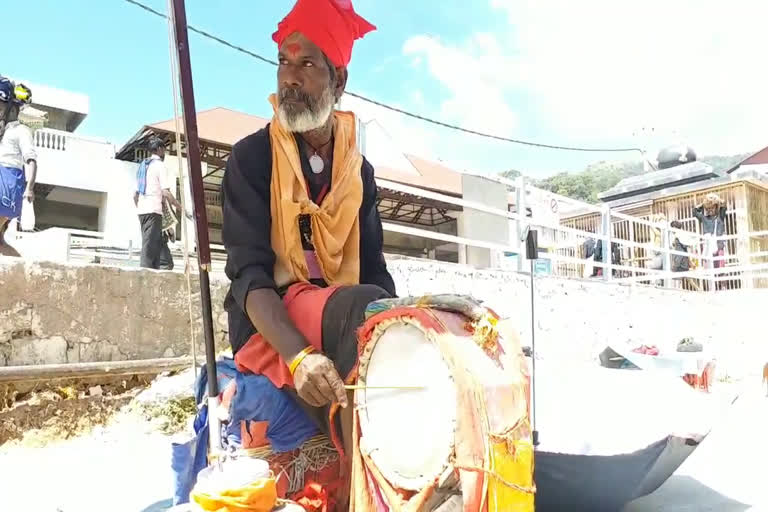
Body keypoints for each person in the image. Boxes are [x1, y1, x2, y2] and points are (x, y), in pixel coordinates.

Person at [220, 0, 394, 487]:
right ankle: (362, 488)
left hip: (342, 312)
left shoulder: (358, 172)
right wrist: (299, 356)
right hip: (271, 322)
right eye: (283, 63)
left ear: (338, 82)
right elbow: (249, 275)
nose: (289, 78)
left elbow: (376, 274)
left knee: (383, 314)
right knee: (360, 308)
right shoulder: (252, 156)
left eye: (306, 64)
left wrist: (399, 320)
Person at [0, 78, 36, 257]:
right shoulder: (4, 131)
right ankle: (25, 274)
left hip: (7, 185)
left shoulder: (21, 131)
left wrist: (29, 188)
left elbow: (31, 160)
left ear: (12, 108)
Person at [134, 136, 182, 269]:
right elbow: (165, 192)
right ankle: (144, 276)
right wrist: (180, 207)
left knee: (154, 247)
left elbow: (135, 194)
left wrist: (140, 207)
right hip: (153, 210)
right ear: (160, 149)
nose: (164, 154)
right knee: (149, 248)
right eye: (164, 150)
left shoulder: (143, 166)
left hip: (143, 211)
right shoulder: (159, 166)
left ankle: (152, 274)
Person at [693, 193, 727, 270]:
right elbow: (694, 211)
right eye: (708, 208)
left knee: (720, 271)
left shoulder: (720, 217)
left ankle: (721, 282)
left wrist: (716, 201)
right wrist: (704, 204)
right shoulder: (704, 218)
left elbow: (724, 205)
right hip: (708, 247)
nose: (710, 210)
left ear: (716, 208)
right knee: (709, 271)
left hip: (719, 246)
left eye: (712, 208)